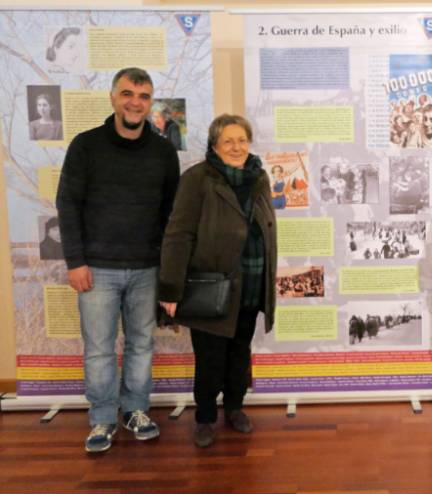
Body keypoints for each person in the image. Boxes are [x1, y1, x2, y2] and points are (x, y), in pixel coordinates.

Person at [56, 67, 179, 453]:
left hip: (147, 268)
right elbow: (67, 204)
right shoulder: (86, 146)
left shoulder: (163, 151)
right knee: (99, 348)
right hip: (96, 268)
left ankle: (136, 410)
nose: (135, 103)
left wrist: (169, 271)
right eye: (127, 94)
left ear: (150, 102)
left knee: (142, 344)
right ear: (112, 97)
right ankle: (103, 417)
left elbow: (171, 214)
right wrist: (75, 261)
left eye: (143, 96)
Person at [158, 114, 277, 449]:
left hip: (251, 282)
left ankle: (235, 407)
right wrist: (170, 288)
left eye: (242, 140)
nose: (236, 147)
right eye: (228, 141)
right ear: (214, 145)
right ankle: (205, 417)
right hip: (212, 286)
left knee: (239, 352)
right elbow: (178, 234)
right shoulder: (197, 178)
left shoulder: (259, 177)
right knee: (210, 357)